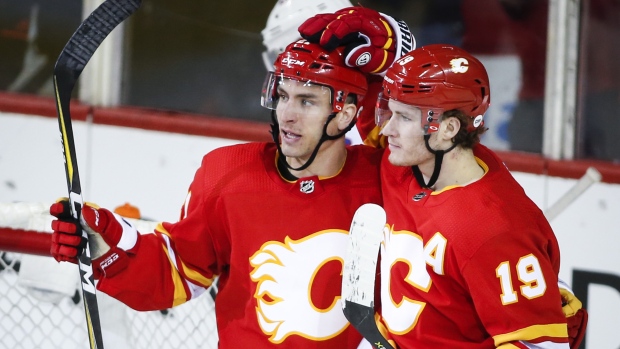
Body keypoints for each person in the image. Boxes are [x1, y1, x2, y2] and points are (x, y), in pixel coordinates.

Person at [48, 8, 413, 347]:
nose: (286, 114)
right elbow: (174, 272)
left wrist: (393, 48)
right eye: (283, 95)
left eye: (306, 101)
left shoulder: (386, 179)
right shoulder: (229, 174)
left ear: (346, 113)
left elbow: (446, 149)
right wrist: (106, 247)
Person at [369, 43, 583, 348]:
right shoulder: (405, 163)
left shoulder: (494, 228)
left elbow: (541, 344)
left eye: (403, 118)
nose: (387, 129)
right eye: (390, 113)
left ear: (447, 128)